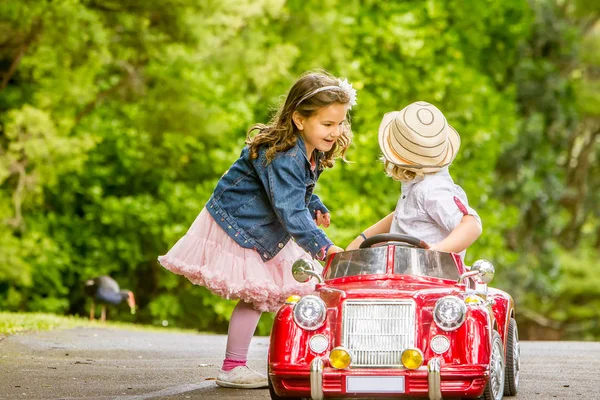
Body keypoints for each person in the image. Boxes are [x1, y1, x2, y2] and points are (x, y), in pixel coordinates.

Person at [158, 70, 356, 389]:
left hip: (268, 226)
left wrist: (313, 202)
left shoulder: (309, 149)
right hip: (241, 224)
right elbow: (288, 206)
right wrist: (324, 246)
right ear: (299, 119)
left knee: (301, 290)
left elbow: (293, 192)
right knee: (256, 295)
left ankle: (308, 358)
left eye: (340, 123)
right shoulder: (286, 155)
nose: (335, 132)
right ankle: (233, 366)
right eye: (328, 124)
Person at [346, 101, 481, 260]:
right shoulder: (417, 186)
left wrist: (436, 252)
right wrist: (363, 238)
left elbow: (472, 224)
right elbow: (403, 216)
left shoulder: (433, 188)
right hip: (404, 273)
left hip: (431, 277)